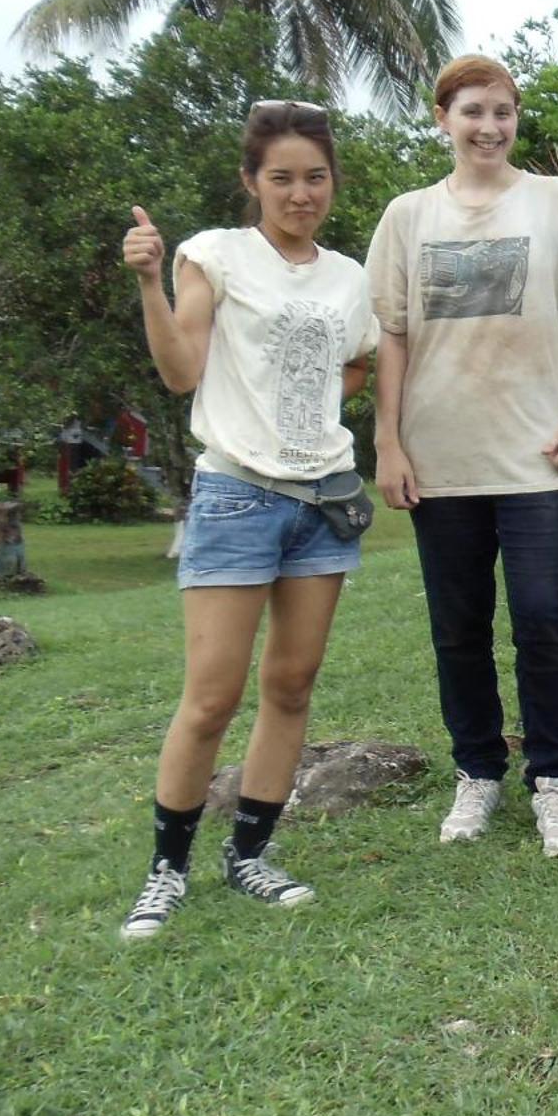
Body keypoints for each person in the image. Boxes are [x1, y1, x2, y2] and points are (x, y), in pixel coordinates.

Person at [118, 100, 378, 938]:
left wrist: (299, 407)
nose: (301, 194)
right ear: (252, 182)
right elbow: (181, 370)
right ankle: (167, 872)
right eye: (282, 178)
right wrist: (151, 282)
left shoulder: (348, 276)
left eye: (315, 177)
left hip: (323, 502)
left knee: (292, 686)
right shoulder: (215, 255)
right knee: (210, 696)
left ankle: (251, 855)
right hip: (236, 496)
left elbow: (359, 366)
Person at [368, 55, 558, 856]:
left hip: (538, 452)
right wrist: (390, 441)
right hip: (442, 458)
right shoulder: (407, 216)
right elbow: (392, 338)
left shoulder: (557, 201)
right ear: (443, 118)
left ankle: (554, 779)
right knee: (458, 627)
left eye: (503, 111)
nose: (490, 126)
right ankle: (477, 771)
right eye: (472, 110)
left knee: (544, 621)